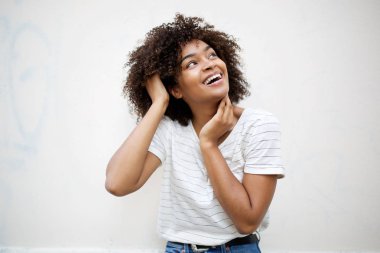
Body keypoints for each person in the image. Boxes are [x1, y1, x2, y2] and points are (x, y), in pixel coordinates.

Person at [105, 13, 285, 253]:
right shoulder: (170, 129)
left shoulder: (259, 125)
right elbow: (117, 184)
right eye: (192, 63)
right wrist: (159, 103)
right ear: (176, 89)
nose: (210, 63)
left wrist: (208, 144)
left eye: (212, 55)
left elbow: (247, 221)